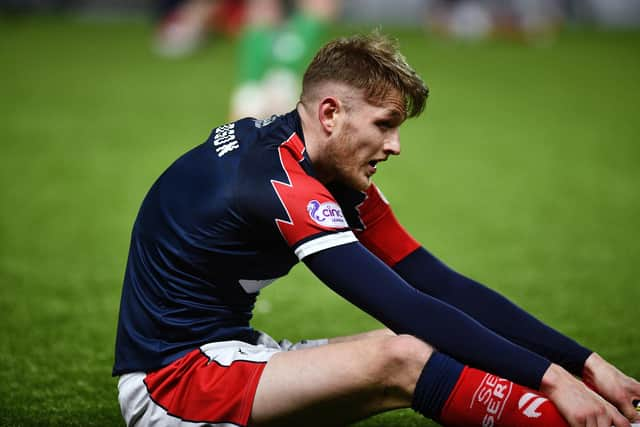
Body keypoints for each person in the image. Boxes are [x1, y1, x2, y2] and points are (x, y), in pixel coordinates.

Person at [113, 31, 640, 427]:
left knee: (423, 347)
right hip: (174, 384)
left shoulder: (319, 168)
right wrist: (553, 380)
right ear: (330, 113)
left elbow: (437, 285)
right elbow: (405, 308)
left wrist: (586, 365)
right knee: (403, 354)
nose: (395, 146)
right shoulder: (279, 182)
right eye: (384, 125)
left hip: (240, 352)